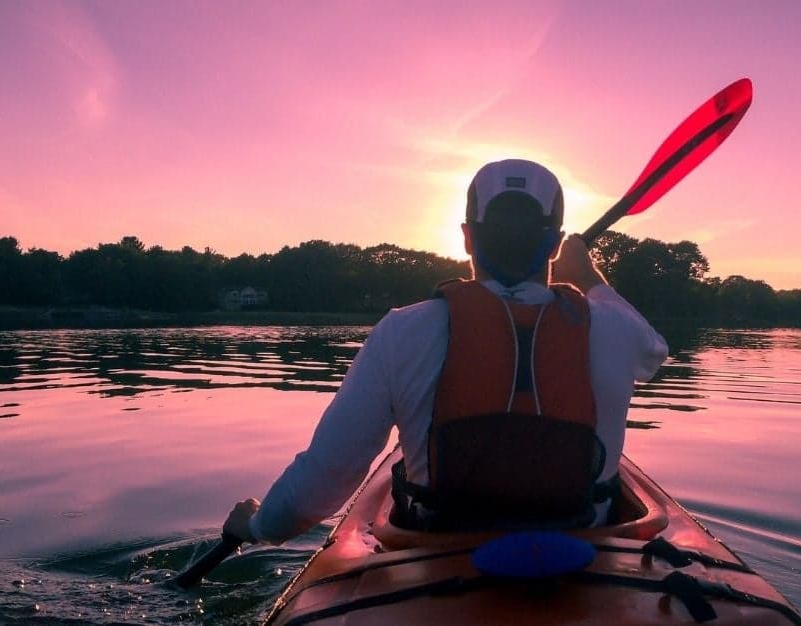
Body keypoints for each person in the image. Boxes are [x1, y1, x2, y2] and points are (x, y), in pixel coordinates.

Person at [223, 159, 668, 543]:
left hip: (438, 551)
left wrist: (258, 526)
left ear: (467, 237)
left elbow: (323, 480)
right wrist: (587, 274)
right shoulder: (615, 329)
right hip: (586, 555)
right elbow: (655, 351)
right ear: (553, 244)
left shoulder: (402, 332)